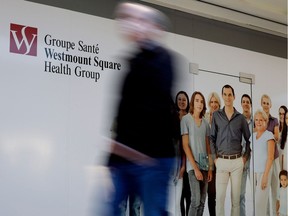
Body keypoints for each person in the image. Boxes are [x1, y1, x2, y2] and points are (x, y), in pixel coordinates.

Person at [107, 3, 177, 216]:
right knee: (108, 209)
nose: (131, 24)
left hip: (154, 158)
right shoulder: (131, 63)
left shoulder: (164, 60)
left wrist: (140, 154)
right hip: (125, 159)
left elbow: (155, 108)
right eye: (127, 19)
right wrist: (111, 159)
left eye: (139, 20)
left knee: (154, 211)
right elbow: (122, 114)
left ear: (155, 28)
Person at [210, 84, 251, 216]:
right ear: (222, 96)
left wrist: (244, 158)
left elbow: (249, 140)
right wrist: (215, 159)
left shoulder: (240, 118)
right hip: (221, 161)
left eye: (230, 94)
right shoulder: (216, 116)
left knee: (235, 201)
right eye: (225, 94)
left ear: (234, 97)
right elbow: (211, 138)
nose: (227, 97)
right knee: (220, 200)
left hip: (236, 163)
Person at [181, 91, 212, 216]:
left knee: (203, 201)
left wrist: (210, 168)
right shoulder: (186, 119)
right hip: (192, 166)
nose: (199, 103)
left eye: (201, 101)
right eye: (197, 100)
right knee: (195, 200)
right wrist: (195, 168)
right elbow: (185, 145)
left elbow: (208, 147)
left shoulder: (205, 123)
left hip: (205, 164)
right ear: (193, 102)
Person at [250, 109, 275, 216]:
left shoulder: (268, 135)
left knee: (259, 204)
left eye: (261, 120)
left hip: (263, 173)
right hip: (252, 173)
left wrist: (265, 176)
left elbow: (270, 157)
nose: (258, 122)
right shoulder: (252, 136)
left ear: (266, 121)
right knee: (257, 203)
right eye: (256, 120)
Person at [261, 94, 280, 216]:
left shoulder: (275, 121)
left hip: (274, 158)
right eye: (264, 103)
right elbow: (255, 137)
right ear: (261, 104)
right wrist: (269, 136)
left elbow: (277, 137)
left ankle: (276, 213)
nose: (266, 105)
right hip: (263, 159)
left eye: (268, 103)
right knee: (265, 190)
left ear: (270, 105)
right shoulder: (258, 119)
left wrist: (264, 136)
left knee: (275, 189)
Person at [174, 91, 191, 216]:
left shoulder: (189, 118)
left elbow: (187, 144)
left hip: (187, 160)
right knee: (178, 198)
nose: (181, 102)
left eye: (184, 99)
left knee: (188, 194)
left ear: (187, 102)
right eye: (179, 99)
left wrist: (184, 165)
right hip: (175, 159)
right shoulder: (172, 117)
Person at [205, 92, 221, 216]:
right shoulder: (204, 117)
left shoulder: (221, 118)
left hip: (217, 158)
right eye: (212, 102)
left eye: (216, 102)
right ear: (209, 103)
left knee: (214, 193)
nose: (214, 104)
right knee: (202, 193)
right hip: (204, 159)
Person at [240, 94, 253, 216]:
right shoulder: (237, 120)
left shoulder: (256, 121)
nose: (245, 103)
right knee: (241, 194)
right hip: (241, 160)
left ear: (250, 104)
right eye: (243, 101)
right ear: (241, 104)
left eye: (247, 102)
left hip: (252, 160)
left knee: (256, 192)